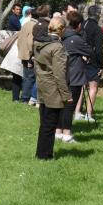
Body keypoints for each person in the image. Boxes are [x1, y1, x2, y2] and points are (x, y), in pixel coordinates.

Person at [34, 17, 72, 159]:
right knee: (50, 124)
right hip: (53, 89)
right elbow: (59, 74)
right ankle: (45, 155)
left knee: (44, 124)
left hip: (42, 85)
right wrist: (67, 95)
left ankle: (41, 153)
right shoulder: (57, 47)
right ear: (61, 29)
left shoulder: (39, 43)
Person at [57, 11, 93, 144]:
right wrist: (82, 55)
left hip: (63, 76)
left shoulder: (62, 36)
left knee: (61, 106)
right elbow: (90, 51)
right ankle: (66, 134)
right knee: (69, 107)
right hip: (74, 77)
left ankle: (58, 132)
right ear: (78, 25)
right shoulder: (76, 39)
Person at [76, 5, 103, 122]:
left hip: (79, 58)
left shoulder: (82, 25)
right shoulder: (97, 29)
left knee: (81, 86)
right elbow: (98, 49)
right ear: (98, 14)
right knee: (93, 87)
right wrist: (100, 65)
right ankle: (88, 114)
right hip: (91, 60)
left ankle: (77, 112)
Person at [16, 8, 39, 104]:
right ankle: (26, 98)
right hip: (29, 55)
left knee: (26, 77)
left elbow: (19, 40)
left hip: (23, 54)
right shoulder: (35, 25)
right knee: (30, 77)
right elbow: (30, 42)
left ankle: (24, 97)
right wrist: (31, 55)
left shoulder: (25, 24)